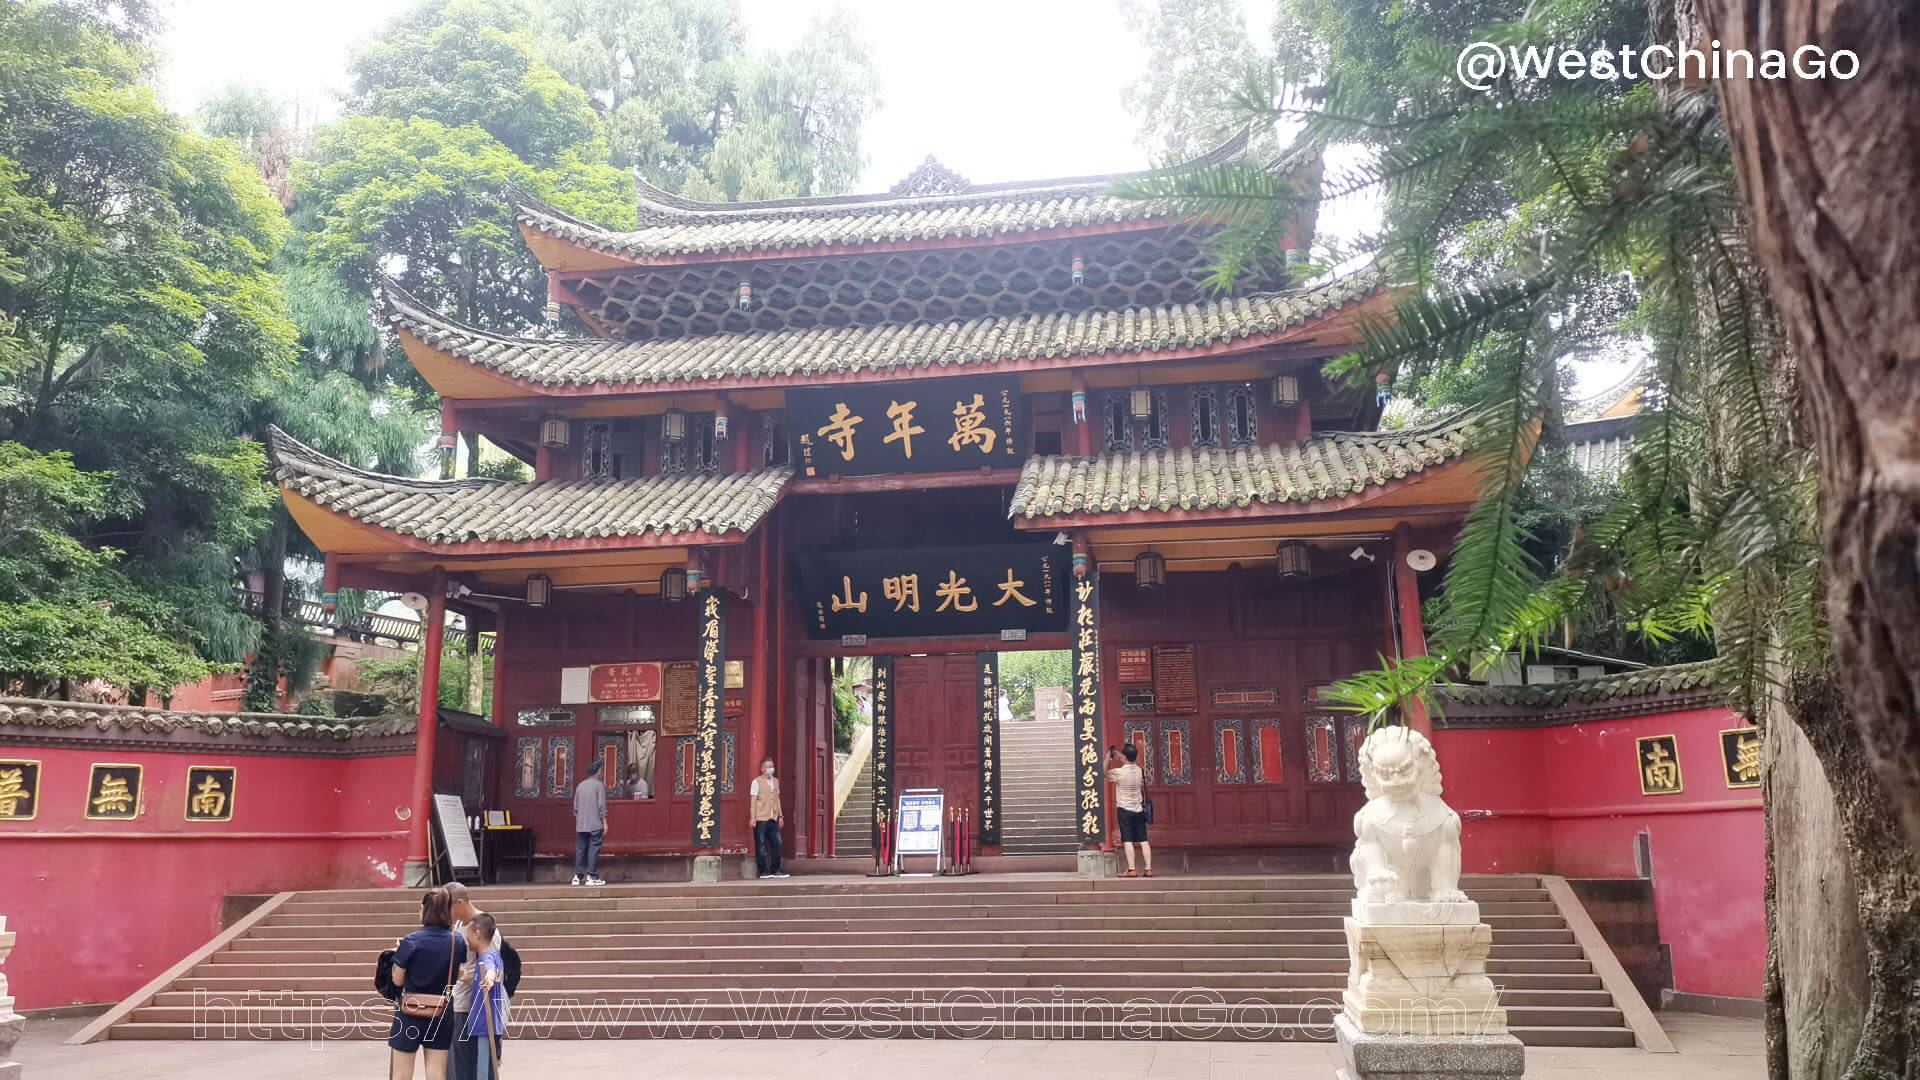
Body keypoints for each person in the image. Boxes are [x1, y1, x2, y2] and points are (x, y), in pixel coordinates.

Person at [388, 887, 466, 1080]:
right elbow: (456, 972)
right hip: (442, 1010)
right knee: (437, 1072)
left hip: (410, 1010)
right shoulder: (457, 941)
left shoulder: (411, 941)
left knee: (401, 1074)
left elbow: (398, 979)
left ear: (423, 910)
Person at [445, 884, 507, 1080]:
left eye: (447, 907)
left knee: (476, 1068)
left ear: (460, 903)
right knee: (458, 1067)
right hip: (458, 1003)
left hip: (475, 1010)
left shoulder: (484, 928)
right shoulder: (458, 926)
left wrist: (485, 978)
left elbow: (493, 965)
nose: (444, 913)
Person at [462, 912, 508, 1080]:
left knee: (483, 1071)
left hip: (485, 1024)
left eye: (468, 933)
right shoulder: (490, 955)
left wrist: (489, 978)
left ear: (477, 934)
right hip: (484, 1023)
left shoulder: (488, 957)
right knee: (486, 1069)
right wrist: (469, 980)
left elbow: (490, 971)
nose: (466, 937)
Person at [1106, 743, 1153, 877]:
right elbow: (1128, 761)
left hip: (1125, 810)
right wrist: (1121, 756)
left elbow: (1102, 773)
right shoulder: (1140, 770)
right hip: (1139, 809)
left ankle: (1132, 869)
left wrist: (1108, 758)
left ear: (1125, 756)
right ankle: (1148, 868)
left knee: (1128, 840)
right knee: (1144, 840)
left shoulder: (1119, 772)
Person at [749, 757, 787, 878]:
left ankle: (775, 869)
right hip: (760, 817)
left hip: (773, 817)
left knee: (777, 842)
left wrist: (780, 816)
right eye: (769, 767)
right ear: (763, 769)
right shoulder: (756, 782)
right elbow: (753, 801)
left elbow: (777, 799)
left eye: (772, 766)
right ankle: (763, 871)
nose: (771, 769)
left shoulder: (776, 781)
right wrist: (752, 818)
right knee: (760, 844)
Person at [573, 759, 607, 886]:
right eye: (601, 771)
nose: (602, 773)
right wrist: (605, 822)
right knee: (594, 850)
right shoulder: (599, 785)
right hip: (595, 823)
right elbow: (601, 805)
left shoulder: (580, 785)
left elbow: (575, 807)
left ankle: (577, 876)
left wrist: (579, 821)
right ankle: (592, 876)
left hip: (581, 824)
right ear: (598, 772)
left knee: (581, 849)